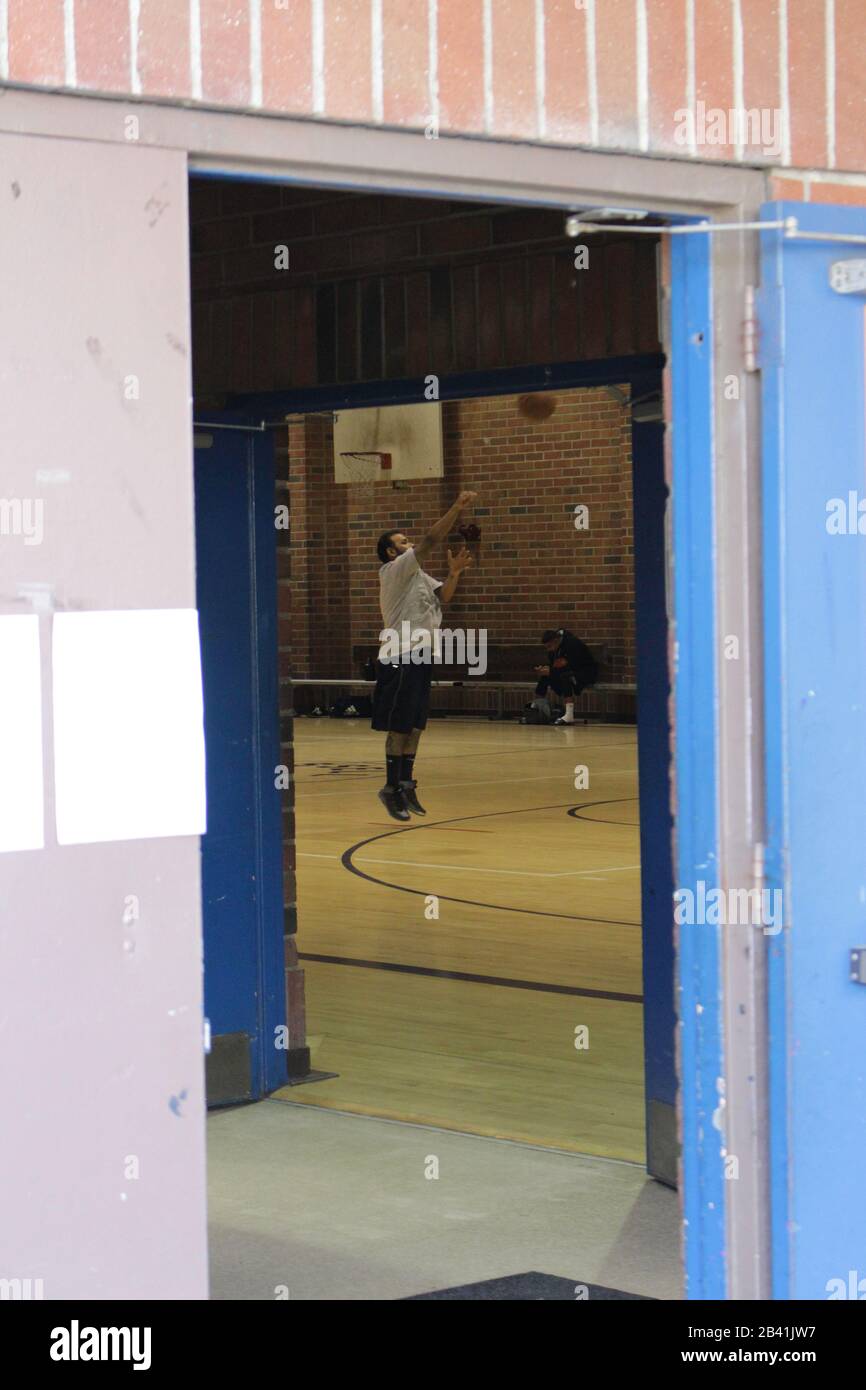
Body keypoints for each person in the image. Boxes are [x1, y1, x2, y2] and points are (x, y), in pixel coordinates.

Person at [372, 491, 477, 820]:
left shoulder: (419, 576)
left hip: (421, 656)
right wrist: (456, 507)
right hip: (400, 655)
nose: (410, 543)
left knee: (416, 726)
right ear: (392, 551)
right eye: (404, 542)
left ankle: (405, 783)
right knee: (399, 727)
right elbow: (432, 539)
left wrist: (455, 573)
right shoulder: (394, 570)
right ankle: (390, 788)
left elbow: (443, 596)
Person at [533, 628, 599, 725]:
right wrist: (545, 670)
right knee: (545, 677)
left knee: (566, 677)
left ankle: (569, 715)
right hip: (567, 671)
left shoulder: (573, 644)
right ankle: (537, 707)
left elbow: (574, 665)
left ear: (555, 641)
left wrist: (552, 671)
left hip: (585, 672)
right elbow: (555, 666)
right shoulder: (553, 651)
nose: (548, 649)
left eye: (549, 646)